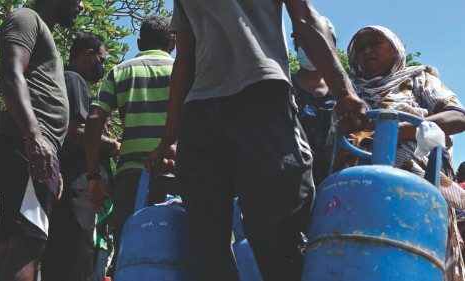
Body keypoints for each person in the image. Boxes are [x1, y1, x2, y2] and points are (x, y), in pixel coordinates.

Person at [144, 1, 368, 280]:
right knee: (227, 236)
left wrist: (344, 92)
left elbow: (306, 20)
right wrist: (169, 138)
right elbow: (185, 58)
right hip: (225, 105)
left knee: (249, 233)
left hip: (239, 102)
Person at [344, 25, 465, 281]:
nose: (367, 51)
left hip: (423, 185)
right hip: (362, 189)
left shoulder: (418, 79)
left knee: (420, 256)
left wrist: (399, 131)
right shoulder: (351, 94)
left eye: (374, 43)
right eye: (360, 49)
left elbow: (457, 116)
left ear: (395, 49)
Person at [0, 1, 83, 281]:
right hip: (23, 141)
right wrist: (35, 136)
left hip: (31, 144)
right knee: (28, 243)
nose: (82, 5)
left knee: (9, 246)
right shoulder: (27, 18)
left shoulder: (44, 33)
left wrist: (51, 156)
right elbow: (11, 74)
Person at [84, 14, 176, 270]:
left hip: (131, 180)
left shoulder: (120, 71)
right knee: (176, 252)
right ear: (173, 43)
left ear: (138, 43)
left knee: (129, 254)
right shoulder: (183, 72)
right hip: (175, 174)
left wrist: (93, 175)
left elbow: (94, 119)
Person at [41, 33, 119, 281]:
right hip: (76, 185)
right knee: (74, 256)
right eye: (102, 59)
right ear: (88, 54)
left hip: (73, 186)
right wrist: (113, 144)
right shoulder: (73, 79)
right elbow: (74, 130)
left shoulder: (68, 80)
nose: (102, 65)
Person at [292, 18, 337, 186]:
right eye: (303, 41)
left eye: (318, 41)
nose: (310, 48)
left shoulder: (344, 91)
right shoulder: (286, 87)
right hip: (293, 177)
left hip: (335, 175)